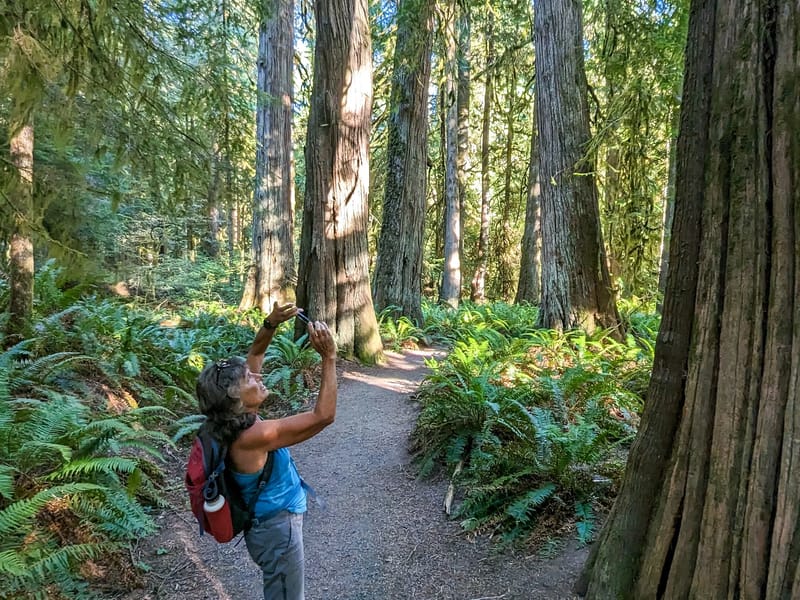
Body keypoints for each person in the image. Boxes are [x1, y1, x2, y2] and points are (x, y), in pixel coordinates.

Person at [195, 302, 337, 600]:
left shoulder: (232, 418)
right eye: (249, 379)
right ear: (235, 399)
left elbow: (256, 353)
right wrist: (329, 358)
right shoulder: (252, 435)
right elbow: (322, 416)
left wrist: (270, 323)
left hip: (269, 526)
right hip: (276, 529)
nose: (258, 376)